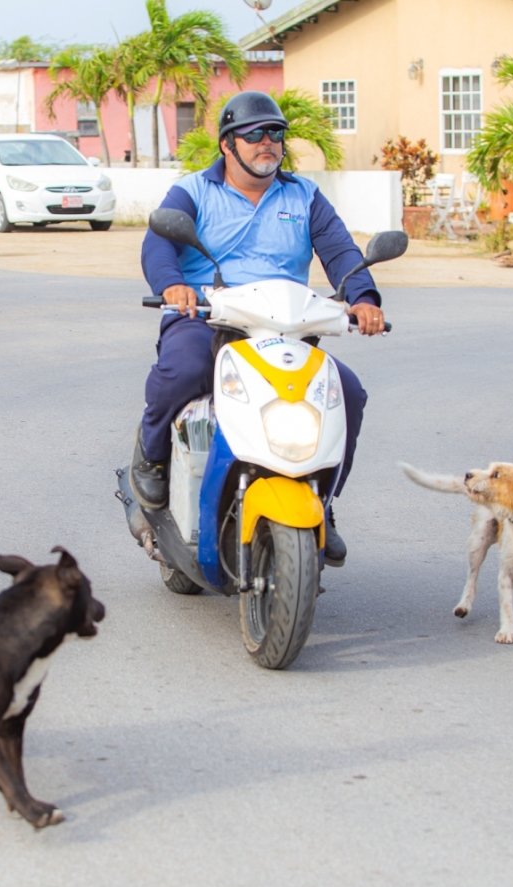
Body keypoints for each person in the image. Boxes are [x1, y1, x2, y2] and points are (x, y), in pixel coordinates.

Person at [130, 91, 386, 567]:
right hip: (207, 317)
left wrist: (364, 298)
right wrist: (172, 287)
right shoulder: (193, 190)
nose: (267, 142)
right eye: (254, 134)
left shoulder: (303, 195)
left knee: (345, 393)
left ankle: (322, 504)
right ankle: (150, 457)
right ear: (228, 144)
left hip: (283, 325)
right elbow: (159, 243)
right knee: (183, 370)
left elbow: (341, 252)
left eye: (276, 134)